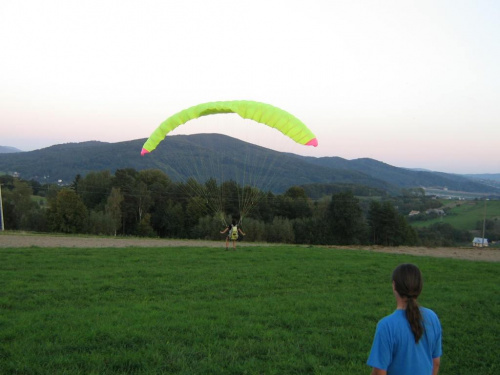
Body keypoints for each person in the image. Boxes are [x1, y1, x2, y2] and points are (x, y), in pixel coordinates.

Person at [367, 263, 442, 375]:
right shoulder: (432, 318)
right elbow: (435, 362)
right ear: (419, 287)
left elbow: (379, 372)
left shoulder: (387, 326)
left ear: (394, 286)